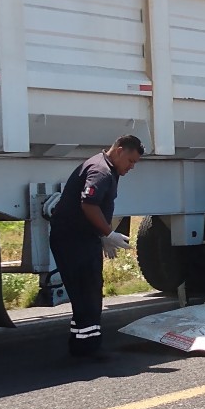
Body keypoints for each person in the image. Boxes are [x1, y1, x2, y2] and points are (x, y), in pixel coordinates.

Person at [49, 135, 144, 360]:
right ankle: (88, 348)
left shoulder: (108, 168)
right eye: (131, 161)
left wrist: (101, 236)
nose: (132, 167)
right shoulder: (101, 171)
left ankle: (82, 344)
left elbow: (97, 207)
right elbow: (89, 204)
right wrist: (107, 234)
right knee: (87, 293)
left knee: (87, 291)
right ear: (119, 151)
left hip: (80, 238)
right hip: (74, 241)